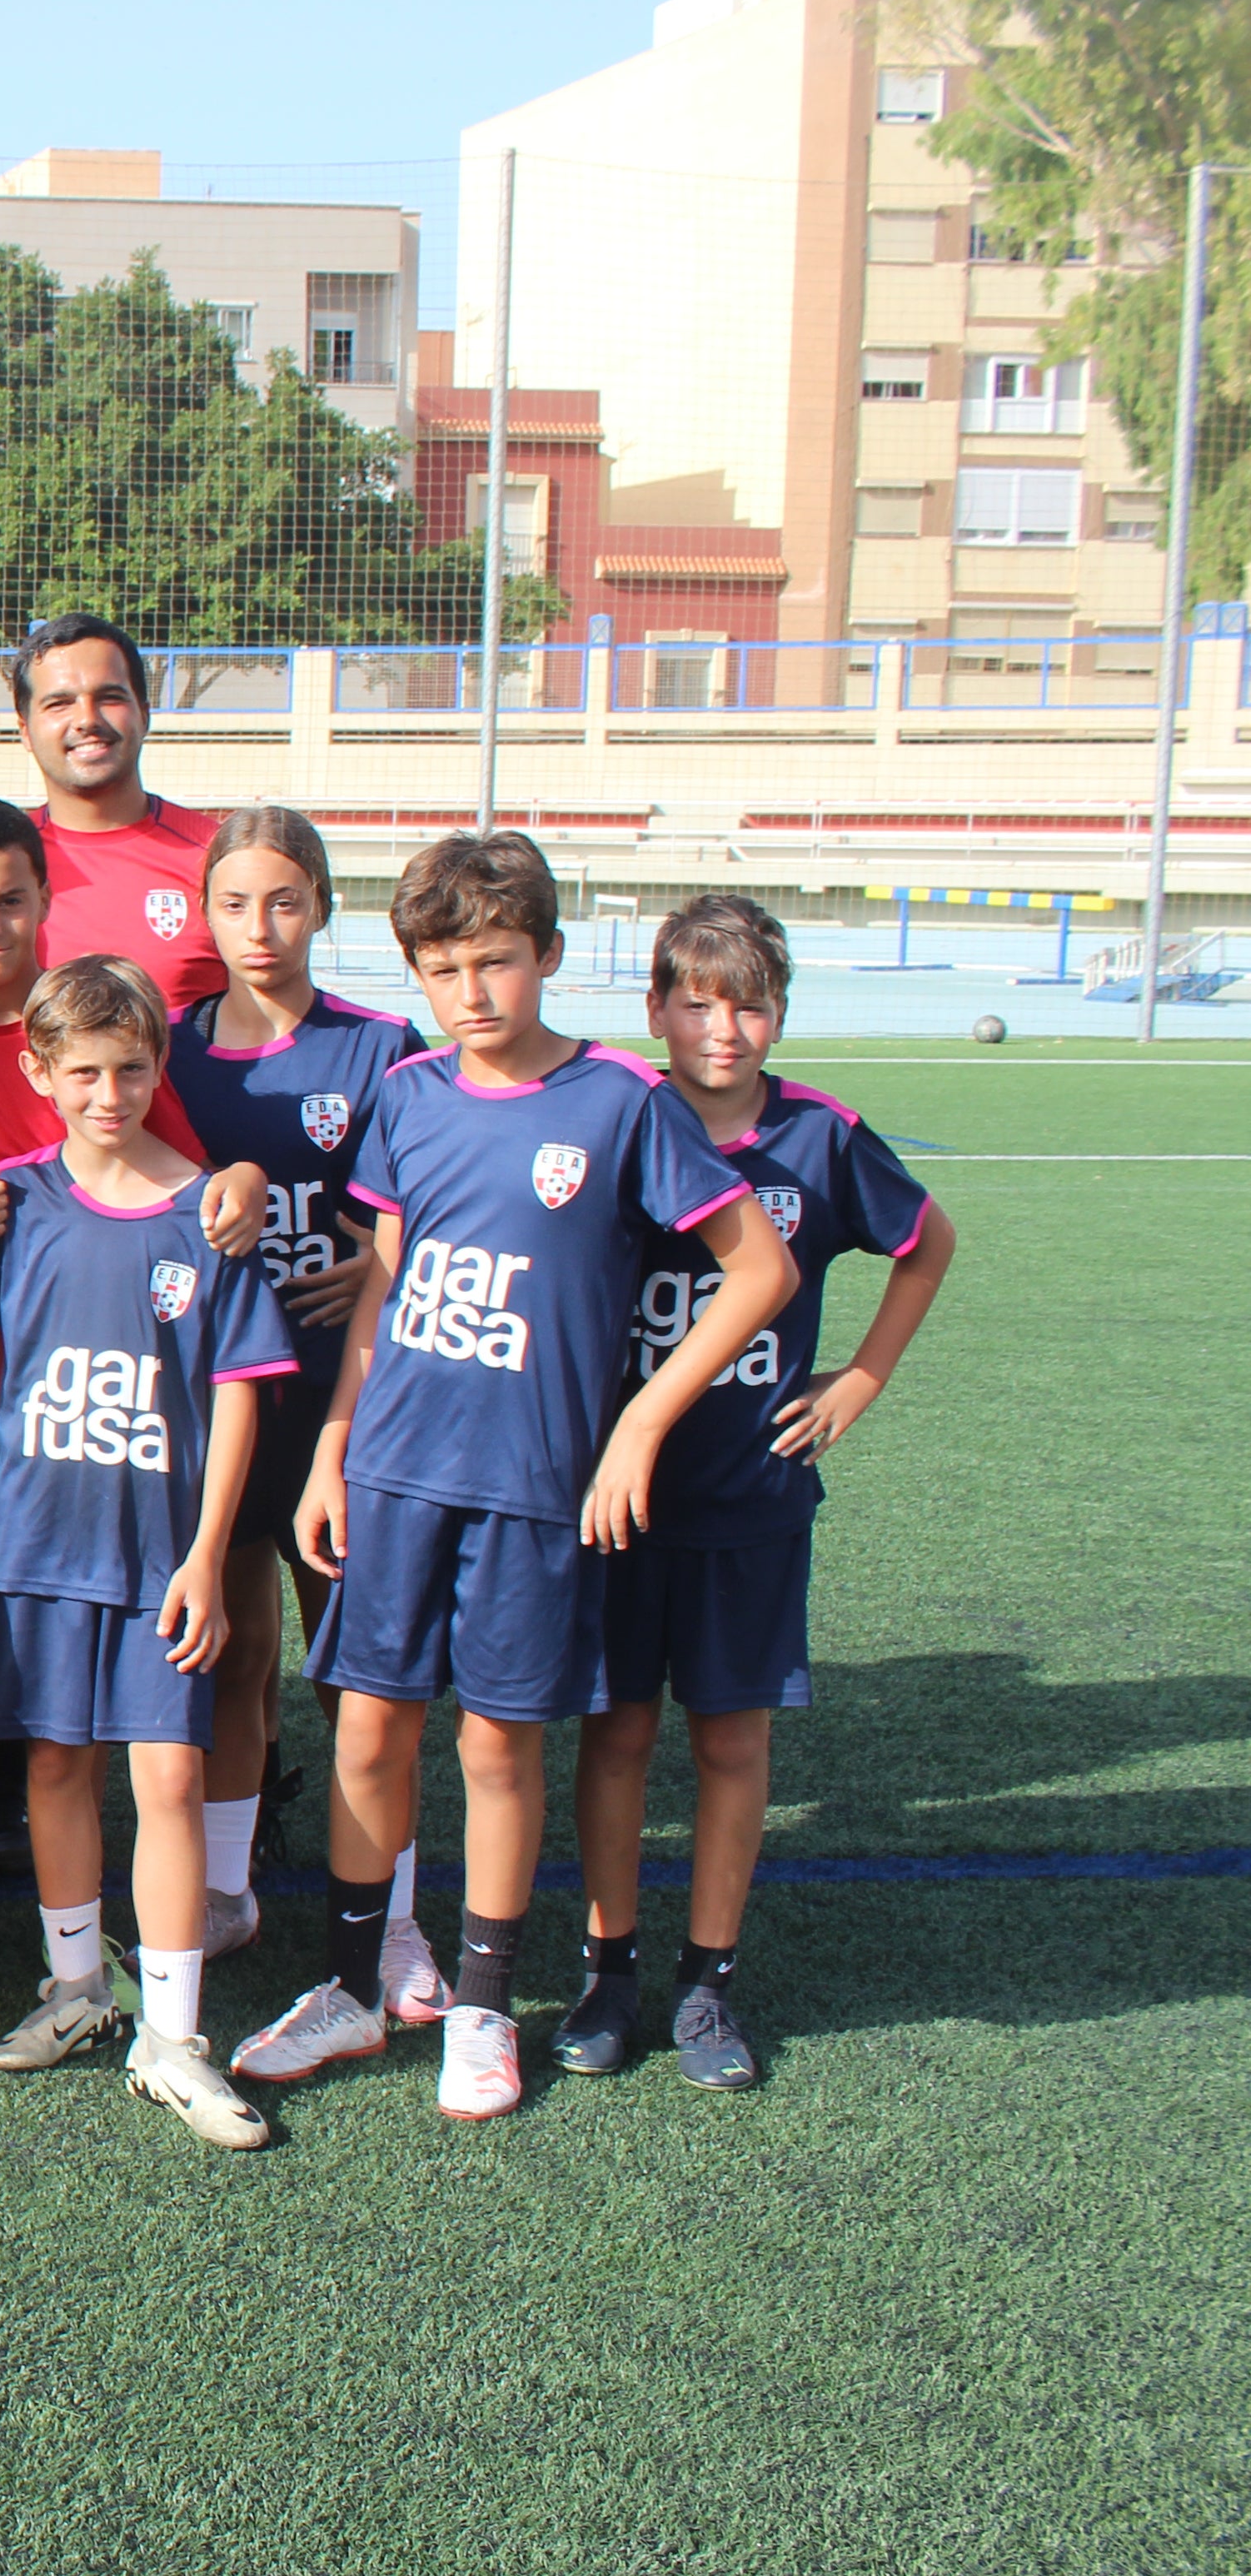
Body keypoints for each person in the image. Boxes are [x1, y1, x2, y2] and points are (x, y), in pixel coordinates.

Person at [232, 831, 796, 2125]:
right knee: (367, 1729)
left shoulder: (620, 1103)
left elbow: (758, 1267)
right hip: (394, 1472)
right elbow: (382, 1283)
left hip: (536, 1486)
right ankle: (358, 1986)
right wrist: (329, 1452)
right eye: (441, 969)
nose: (472, 992)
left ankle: (481, 2009)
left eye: (495, 961)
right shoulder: (411, 1095)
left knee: (497, 1746)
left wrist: (641, 1425)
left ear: (547, 955)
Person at [0, 800, 261, 2004]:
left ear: (46, 903)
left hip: (96, 1437)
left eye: (11, 899)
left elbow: (193, 1172)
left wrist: (242, 1175)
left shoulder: (97, 1031)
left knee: (103, 1692)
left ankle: (135, 1913)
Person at [565, 895, 952, 2092]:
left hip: (753, 1498)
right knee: (618, 1732)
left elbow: (928, 1243)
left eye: (751, 1003)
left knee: (732, 1742)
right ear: (655, 1010)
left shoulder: (823, 1139)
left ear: (781, 1012)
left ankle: (707, 1988)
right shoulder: (623, 1120)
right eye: (698, 1000)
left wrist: (865, 1376)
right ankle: (608, 1974)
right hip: (616, 1501)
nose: (724, 1028)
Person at [0, 955, 299, 2150]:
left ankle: (175, 2036)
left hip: (161, 1556)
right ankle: (76, 1991)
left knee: (167, 1780)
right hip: (43, 1547)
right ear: (38, 1072)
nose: (110, 1093)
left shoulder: (207, 1213)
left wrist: (207, 1555)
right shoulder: (14, 1200)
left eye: (132, 1069)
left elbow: (241, 1397)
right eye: (83, 1072)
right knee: (53, 1769)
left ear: (160, 1068)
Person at [156, 806, 436, 2000]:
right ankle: (227, 1892)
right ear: (203, 913)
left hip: (346, 1407)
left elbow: (441, 1212)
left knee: (360, 1670)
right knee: (230, 1646)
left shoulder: (383, 1048)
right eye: (234, 903)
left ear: (321, 905)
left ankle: (403, 1915)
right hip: (212, 1411)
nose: (259, 928)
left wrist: (381, 1269)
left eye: (283, 900)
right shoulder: (164, 1052)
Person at [7, 615, 224, 1011]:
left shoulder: (218, 857)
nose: (87, 720)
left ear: (144, 713)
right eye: (60, 703)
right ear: (25, 729)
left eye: (109, 697)